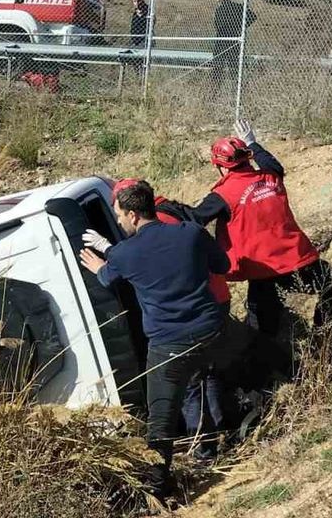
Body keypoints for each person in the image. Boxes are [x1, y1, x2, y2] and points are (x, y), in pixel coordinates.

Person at [79, 180, 229, 496]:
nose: (118, 221)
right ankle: (210, 442)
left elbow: (108, 278)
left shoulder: (123, 254)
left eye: (119, 215)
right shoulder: (190, 232)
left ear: (133, 215)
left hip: (169, 346)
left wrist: (100, 263)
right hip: (212, 329)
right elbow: (222, 264)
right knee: (203, 377)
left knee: (160, 423)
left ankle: (158, 491)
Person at [191, 118, 332, 337]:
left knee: (261, 330)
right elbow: (273, 164)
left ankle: (265, 362)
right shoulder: (271, 177)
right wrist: (252, 143)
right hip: (297, 259)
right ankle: (324, 336)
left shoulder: (222, 195)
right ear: (247, 159)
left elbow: (194, 219)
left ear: (220, 166)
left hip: (263, 270)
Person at [210, 0, 255, 88]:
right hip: (226, 40)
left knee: (221, 68)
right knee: (231, 68)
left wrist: (240, 27)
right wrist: (240, 27)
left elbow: (252, 16)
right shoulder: (219, 10)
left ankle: (219, 91)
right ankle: (233, 90)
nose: (218, 0)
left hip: (227, 41)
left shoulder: (237, 7)